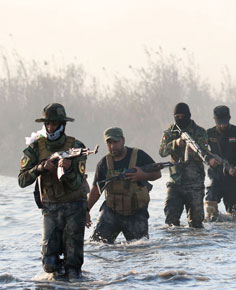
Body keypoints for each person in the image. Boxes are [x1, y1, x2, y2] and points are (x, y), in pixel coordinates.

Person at [18, 103, 89, 280]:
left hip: (74, 207)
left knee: (73, 267)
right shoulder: (35, 148)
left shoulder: (76, 146)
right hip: (50, 208)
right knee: (49, 263)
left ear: (62, 125)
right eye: (48, 124)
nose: (51, 128)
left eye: (55, 124)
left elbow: (78, 183)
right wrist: (40, 168)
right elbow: (22, 180)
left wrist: (69, 168)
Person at [87, 127, 161, 243]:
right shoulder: (103, 163)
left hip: (136, 213)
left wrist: (142, 176)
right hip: (112, 212)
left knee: (140, 248)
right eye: (109, 142)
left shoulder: (139, 155)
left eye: (115, 142)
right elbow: (96, 190)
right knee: (96, 244)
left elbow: (157, 173)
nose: (112, 146)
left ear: (123, 140)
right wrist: (86, 211)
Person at [159, 102, 210, 228]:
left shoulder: (200, 132)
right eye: (177, 117)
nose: (180, 119)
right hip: (175, 182)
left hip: (195, 183)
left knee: (196, 223)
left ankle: (195, 247)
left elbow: (203, 153)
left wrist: (192, 151)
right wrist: (175, 143)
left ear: (189, 116)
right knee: (171, 222)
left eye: (183, 116)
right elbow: (162, 152)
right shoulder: (170, 133)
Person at [204, 105, 236, 221]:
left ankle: (230, 236)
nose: (222, 125)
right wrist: (209, 160)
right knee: (210, 209)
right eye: (219, 123)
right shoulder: (208, 134)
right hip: (215, 177)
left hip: (233, 178)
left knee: (233, 215)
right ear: (214, 120)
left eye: (224, 122)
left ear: (229, 118)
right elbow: (201, 152)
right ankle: (213, 234)